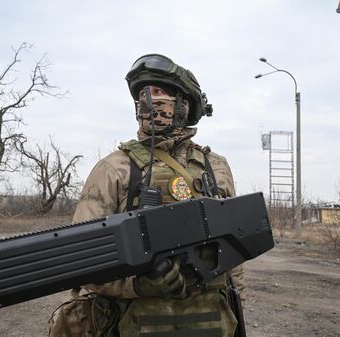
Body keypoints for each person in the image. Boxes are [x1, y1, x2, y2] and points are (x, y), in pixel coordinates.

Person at [48, 54, 244, 337]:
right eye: (143, 95)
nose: (149, 101)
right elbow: (81, 264)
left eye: (159, 92)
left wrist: (236, 307)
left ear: (184, 103)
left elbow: (234, 258)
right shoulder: (114, 169)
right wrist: (136, 285)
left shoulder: (216, 168)